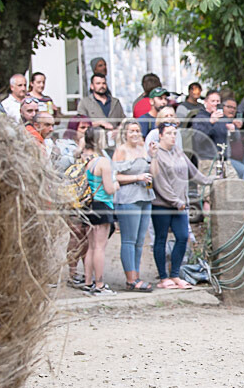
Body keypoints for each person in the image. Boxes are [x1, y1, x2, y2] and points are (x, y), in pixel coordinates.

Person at [150, 122, 214, 289]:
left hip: (180, 205)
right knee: (161, 239)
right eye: (169, 133)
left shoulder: (178, 152)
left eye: (175, 133)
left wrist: (209, 180)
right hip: (163, 204)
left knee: (182, 237)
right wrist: (175, 201)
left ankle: (175, 274)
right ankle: (163, 277)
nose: (173, 136)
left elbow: (192, 171)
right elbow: (159, 182)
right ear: (161, 135)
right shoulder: (157, 154)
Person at [114, 119, 155, 292]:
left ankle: (136, 275)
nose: (136, 134)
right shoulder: (121, 151)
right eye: (132, 131)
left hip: (145, 196)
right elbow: (114, 176)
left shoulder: (143, 150)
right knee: (129, 240)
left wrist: (152, 156)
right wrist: (136, 178)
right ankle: (130, 279)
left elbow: (151, 171)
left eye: (137, 131)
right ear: (125, 133)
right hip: (128, 198)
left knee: (139, 241)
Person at [53, 115, 92, 287]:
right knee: (76, 235)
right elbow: (61, 166)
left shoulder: (94, 148)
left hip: (89, 198)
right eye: (82, 128)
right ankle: (72, 273)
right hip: (71, 197)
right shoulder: (64, 145)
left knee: (87, 236)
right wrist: (79, 150)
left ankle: (87, 272)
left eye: (87, 128)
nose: (85, 131)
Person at [83, 127, 120, 296]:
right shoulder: (102, 162)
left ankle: (88, 281)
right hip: (102, 205)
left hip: (87, 205)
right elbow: (109, 188)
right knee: (99, 247)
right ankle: (99, 284)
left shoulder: (85, 159)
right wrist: (117, 184)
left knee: (91, 247)